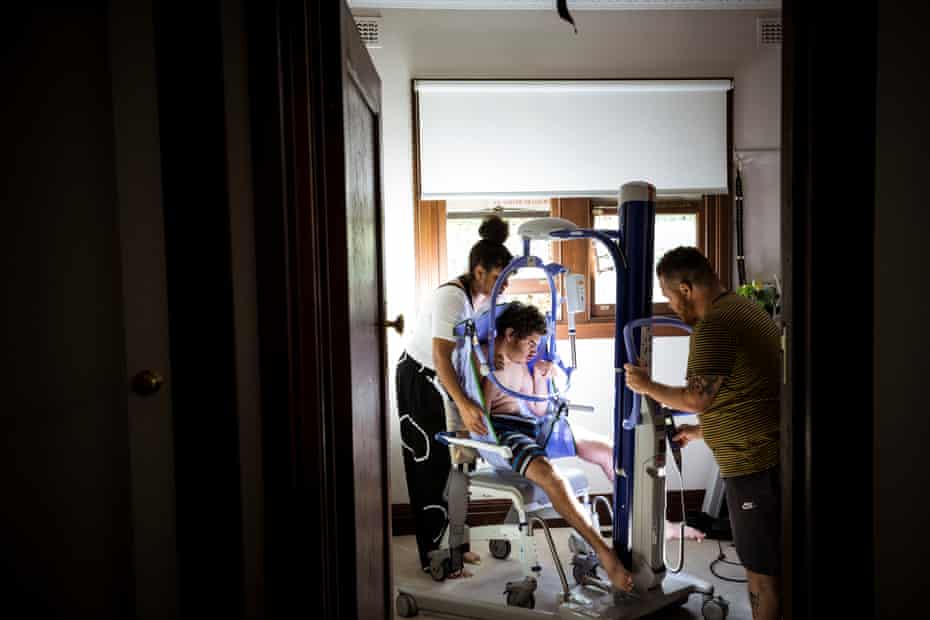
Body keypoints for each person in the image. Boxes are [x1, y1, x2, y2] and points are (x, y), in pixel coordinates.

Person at [623, 247, 781, 620]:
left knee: (762, 573)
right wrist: (701, 432)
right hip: (766, 455)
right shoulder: (743, 309)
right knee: (769, 564)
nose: (671, 305)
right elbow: (742, 392)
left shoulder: (714, 325)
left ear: (687, 287)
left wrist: (646, 385)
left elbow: (697, 397)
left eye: (669, 296)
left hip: (753, 466)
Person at [481, 301, 635, 593]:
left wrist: (540, 376)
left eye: (537, 343)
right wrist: (487, 373)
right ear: (510, 334)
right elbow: (482, 418)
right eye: (530, 342)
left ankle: (629, 536)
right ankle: (605, 554)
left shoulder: (525, 363)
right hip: (505, 432)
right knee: (554, 478)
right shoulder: (488, 359)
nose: (534, 349)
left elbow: (539, 413)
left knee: (611, 451)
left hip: (535, 427)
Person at [396, 215, 512, 577]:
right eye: (499, 279)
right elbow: (440, 356)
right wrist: (464, 403)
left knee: (459, 464)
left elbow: (467, 343)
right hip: (422, 379)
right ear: (479, 271)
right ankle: (434, 557)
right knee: (431, 467)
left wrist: (485, 357)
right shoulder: (452, 297)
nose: (504, 287)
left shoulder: (474, 299)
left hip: (446, 381)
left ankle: (457, 546)